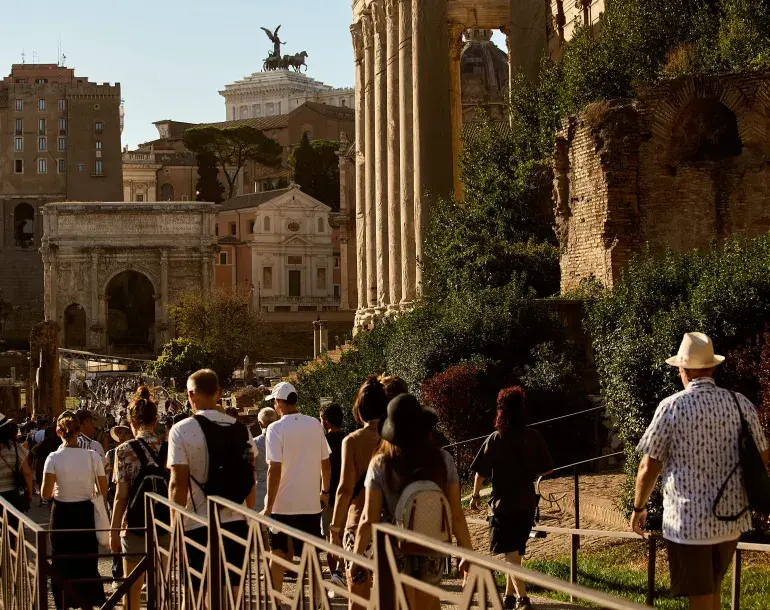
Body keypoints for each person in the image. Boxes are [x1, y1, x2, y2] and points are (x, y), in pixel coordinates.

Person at [631, 333, 770, 610]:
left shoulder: (671, 407)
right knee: (711, 592)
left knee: (701, 598)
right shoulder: (740, 403)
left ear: (682, 371)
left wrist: (639, 507)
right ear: (713, 367)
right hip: (731, 519)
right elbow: (763, 456)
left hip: (688, 523)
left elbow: (649, 466)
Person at [352, 394, 473, 610]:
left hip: (393, 549)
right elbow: (456, 514)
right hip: (431, 545)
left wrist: (357, 556)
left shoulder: (381, 464)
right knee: (429, 604)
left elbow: (368, 519)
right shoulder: (442, 460)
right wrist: (467, 553)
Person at [167, 369, 256, 591]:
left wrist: (174, 526)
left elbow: (177, 483)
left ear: (190, 395)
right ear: (219, 393)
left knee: (198, 593)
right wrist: (248, 513)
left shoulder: (181, 430)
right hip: (235, 520)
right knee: (234, 592)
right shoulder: (241, 429)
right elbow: (250, 475)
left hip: (197, 521)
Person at [470, 387, 554, 610]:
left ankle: (523, 598)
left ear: (501, 411)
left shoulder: (496, 438)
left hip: (503, 504)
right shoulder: (534, 436)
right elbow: (547, 470)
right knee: (515, 550)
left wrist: (476, 495)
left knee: (510, 551)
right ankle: (508, 596)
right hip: (527, 502)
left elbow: (480, 472)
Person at [262, 381, 331, 591]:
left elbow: (274, 469)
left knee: (278, 554)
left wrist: (268, 506)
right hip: (309, 503)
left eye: (274, 401)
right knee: (311, 556)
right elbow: (325, 464)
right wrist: (325, 492)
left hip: (282, 505)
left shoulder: (275, 429)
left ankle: (275, 602)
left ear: (279, 402)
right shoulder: (314, 424)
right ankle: (318, 601)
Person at [329, 376, 389, 610]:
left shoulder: (352, 441)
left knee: (358, 599)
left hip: (358, 525)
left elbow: (345, 488)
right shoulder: (395, 439)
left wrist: (334, 528)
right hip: (391, 526)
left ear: (359, 409)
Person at [41, 411, 108, 610]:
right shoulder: (93, 456)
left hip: (61, 513)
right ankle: (87, 601)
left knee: (61, 560)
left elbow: (45, 493)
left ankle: (64, 601)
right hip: (85, 512)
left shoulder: (53, 458)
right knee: (86, 557)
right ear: (79, 431)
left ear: (58, 431)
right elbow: (102, 490)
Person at [110, 398, 168, 610]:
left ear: (131, 422)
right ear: (156, 420)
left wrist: (114, 530)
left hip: (135, 526)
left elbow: (121, 495)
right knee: (161, 585)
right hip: (163, 525)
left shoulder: (124, 450)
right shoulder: (168, 448)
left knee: (132, 587)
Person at [320, 403, 346, 585]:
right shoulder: (348, 440)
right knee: (346, 536)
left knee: (330, 537)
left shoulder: (323, 442)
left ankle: (334, 574)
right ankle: (343, 572)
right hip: (346, 493)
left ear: (326, 422)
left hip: (327, 494)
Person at [105, 424, 132, 591]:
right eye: (119, 432)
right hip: (114, 494)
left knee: (129, 532)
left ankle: (134, 571)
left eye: (124, 431)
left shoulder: (132, 451)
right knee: (116, 531)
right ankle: (117, 573)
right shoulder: (111, 453)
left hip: (129, 495)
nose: (121, 434)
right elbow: (106, 476)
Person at [0, 413, 33, 511]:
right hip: (12, 497)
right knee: (14, 525)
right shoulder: (15, 446)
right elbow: (27, 473)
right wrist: (30, 493)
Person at [254, 406, 279, 513]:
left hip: (260, 490)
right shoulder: (283, 440)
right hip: (280, 490)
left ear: (260, 424)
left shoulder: (254, 443)